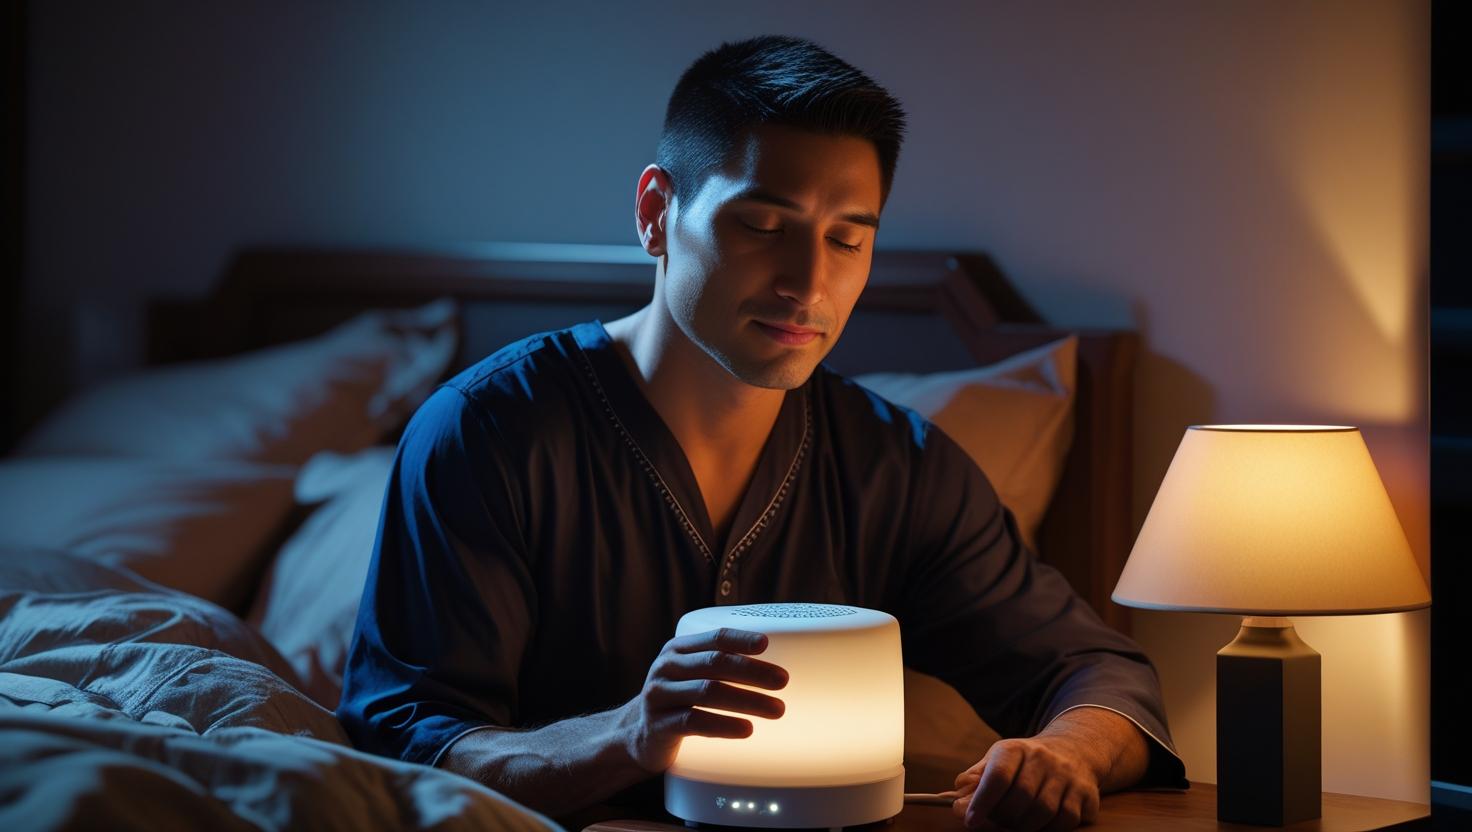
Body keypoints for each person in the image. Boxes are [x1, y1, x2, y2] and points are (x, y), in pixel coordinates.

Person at [337, 34, 1187, 831]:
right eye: (764, 227)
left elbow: (1096, 674)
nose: (808, 283)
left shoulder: (899, 466)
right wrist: (625, 734)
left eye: (848, 238)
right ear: (656, 211)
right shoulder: (490, 431)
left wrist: (1062, 754)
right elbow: (406, 745)